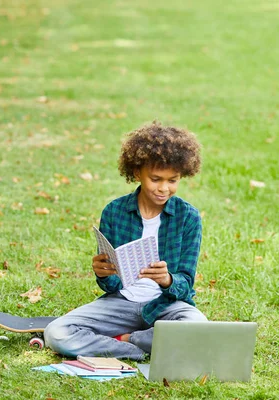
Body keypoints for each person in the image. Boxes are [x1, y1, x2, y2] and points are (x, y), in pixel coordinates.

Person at [44, 121, 207, 361]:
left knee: (199, 327)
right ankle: (136, 349)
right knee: (56, 333)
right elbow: (111, 285)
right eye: (155, 179)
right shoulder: (115, 211)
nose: (164, 188)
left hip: (166, 304)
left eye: (172, 180)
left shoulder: (188, 217)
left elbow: (186, 283)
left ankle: (128, 338)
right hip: (122, 303)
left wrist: (167, 279)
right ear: (137, 172)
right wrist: (103, 273)